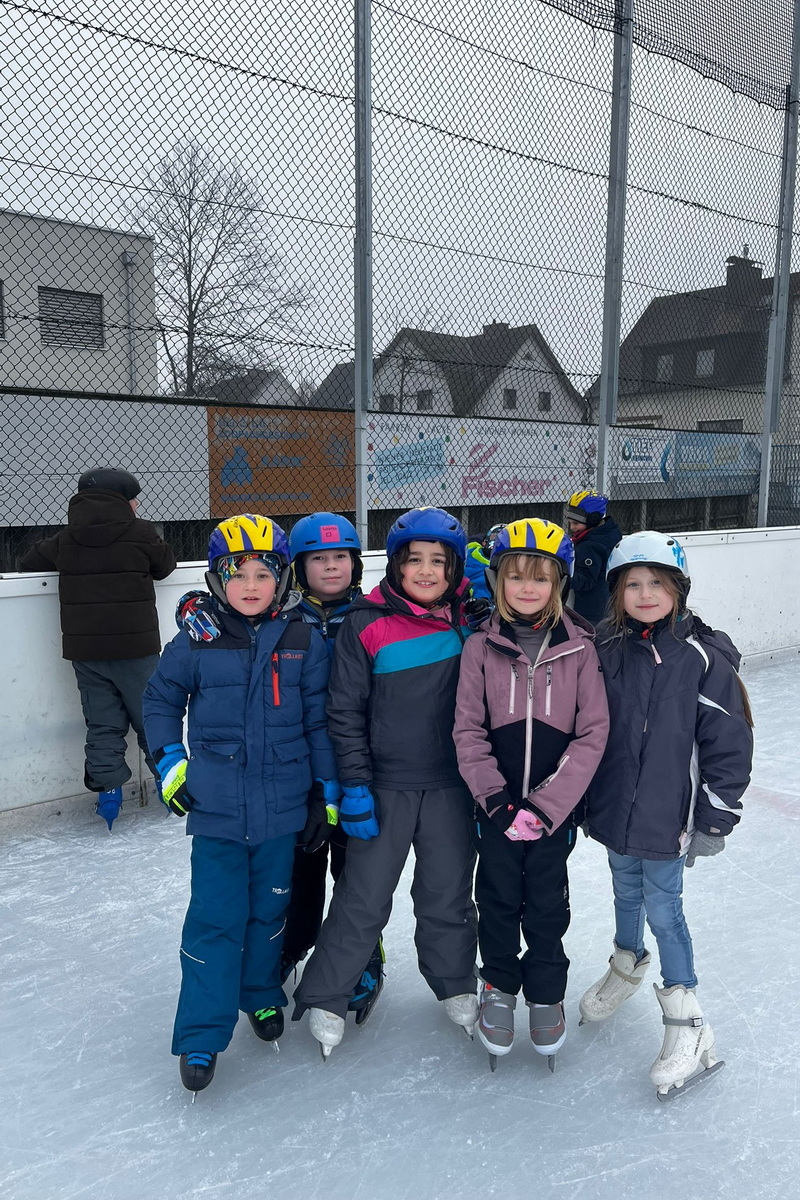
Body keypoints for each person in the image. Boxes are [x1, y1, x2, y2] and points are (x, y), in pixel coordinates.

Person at [142, 514, 338, 1093]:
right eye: (237, 574)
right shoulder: (197, 637)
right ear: (216, 579)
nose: (250, 585)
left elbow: (319, 723)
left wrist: (324, 794)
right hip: (219, 811)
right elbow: (159, 701)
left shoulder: (303, 638)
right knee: (215, 919)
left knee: (270, 912)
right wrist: (171, 764)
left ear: (283, 579)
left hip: (282, 809)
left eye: (263, 573)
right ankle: (201, 1032)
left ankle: (259, 993)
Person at [174, 512, 385, 1022]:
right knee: (297, 868)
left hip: (362, 763)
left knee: (358, 872)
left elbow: (427, 604)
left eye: (340, 557)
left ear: (356, 564)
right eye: (318, 558)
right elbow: (233, 617)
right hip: (295, 771)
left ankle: (364, 955)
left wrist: (472, 604)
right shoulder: (283, 613)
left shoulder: (375, 612)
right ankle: (288, 946)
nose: (330, 567)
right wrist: (194, 604)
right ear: (297, 567)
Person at [292, 506, 479, 1058]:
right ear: (395, 566)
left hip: (452, 786)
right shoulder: (365, 622)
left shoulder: (472, 621)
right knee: (363, 896)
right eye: (414, 560)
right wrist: (354, 786)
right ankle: (328, 994)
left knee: (447, 893)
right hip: (384, 787)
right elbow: (344, 712)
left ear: (454, 568)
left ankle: (455, 982)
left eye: (438, 561)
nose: (426, 571)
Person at [580, 531, 753, 1100]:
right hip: (615, 809)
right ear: (617, 592)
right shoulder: (606, 648)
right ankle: (626, 963)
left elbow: (729, 743)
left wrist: (716, 816)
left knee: (665, 909)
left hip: (667, 814)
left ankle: (687, 1018)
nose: (645, 593)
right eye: (633, 584)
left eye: (657, 582)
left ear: (678, 588)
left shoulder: (702, 658)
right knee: (624, 890)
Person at [453, 518, 610, 1069]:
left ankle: (546, 992)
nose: (527, 587)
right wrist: (496, 802)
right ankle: (498, 984)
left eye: (540, 578)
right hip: (495, 812)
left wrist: (546, 807)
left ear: (559, 584)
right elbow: (468, 730)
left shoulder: (580, 650)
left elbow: (593, 734)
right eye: (516, 576)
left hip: (552, 816)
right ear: (497, 581)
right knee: (496, 901)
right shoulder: (480, 647)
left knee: (546, 906)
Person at [18, 467, 176, 829]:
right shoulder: (141, 533)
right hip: (136, 649)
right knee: (151, 717)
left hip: (87, 654)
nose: (137, 505)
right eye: (134, 499)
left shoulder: (66, 538)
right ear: (122, 500)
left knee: (103, 722)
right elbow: (165, 566)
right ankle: (169, 785)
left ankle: (109, 795)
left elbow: (28, 562)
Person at [564, 490, 622, 626]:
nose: (572, 527)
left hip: (592, 611)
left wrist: (561, 576)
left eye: (576, 523)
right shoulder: (609, 532)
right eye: (570, 523)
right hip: (608, 604)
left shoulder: (590, 546)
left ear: (593, 519)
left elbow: (586, 580)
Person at [465, 523, 506, 601]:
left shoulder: (511, 563)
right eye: (495, 536)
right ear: (484, 542)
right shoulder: (468, 554)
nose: (497, 541)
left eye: (503, 539)